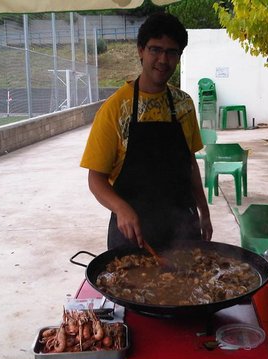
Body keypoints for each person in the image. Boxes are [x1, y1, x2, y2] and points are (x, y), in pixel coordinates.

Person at [80, 12, 213, 250]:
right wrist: (121, 208)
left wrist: (204, 210)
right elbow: (95, 178)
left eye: (172, 52)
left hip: (183, 227)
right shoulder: (116, 109)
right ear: (141, 50)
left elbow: (190, 163)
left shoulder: (184, 104)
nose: (163, 59)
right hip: (133, 233)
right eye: (155, 49)